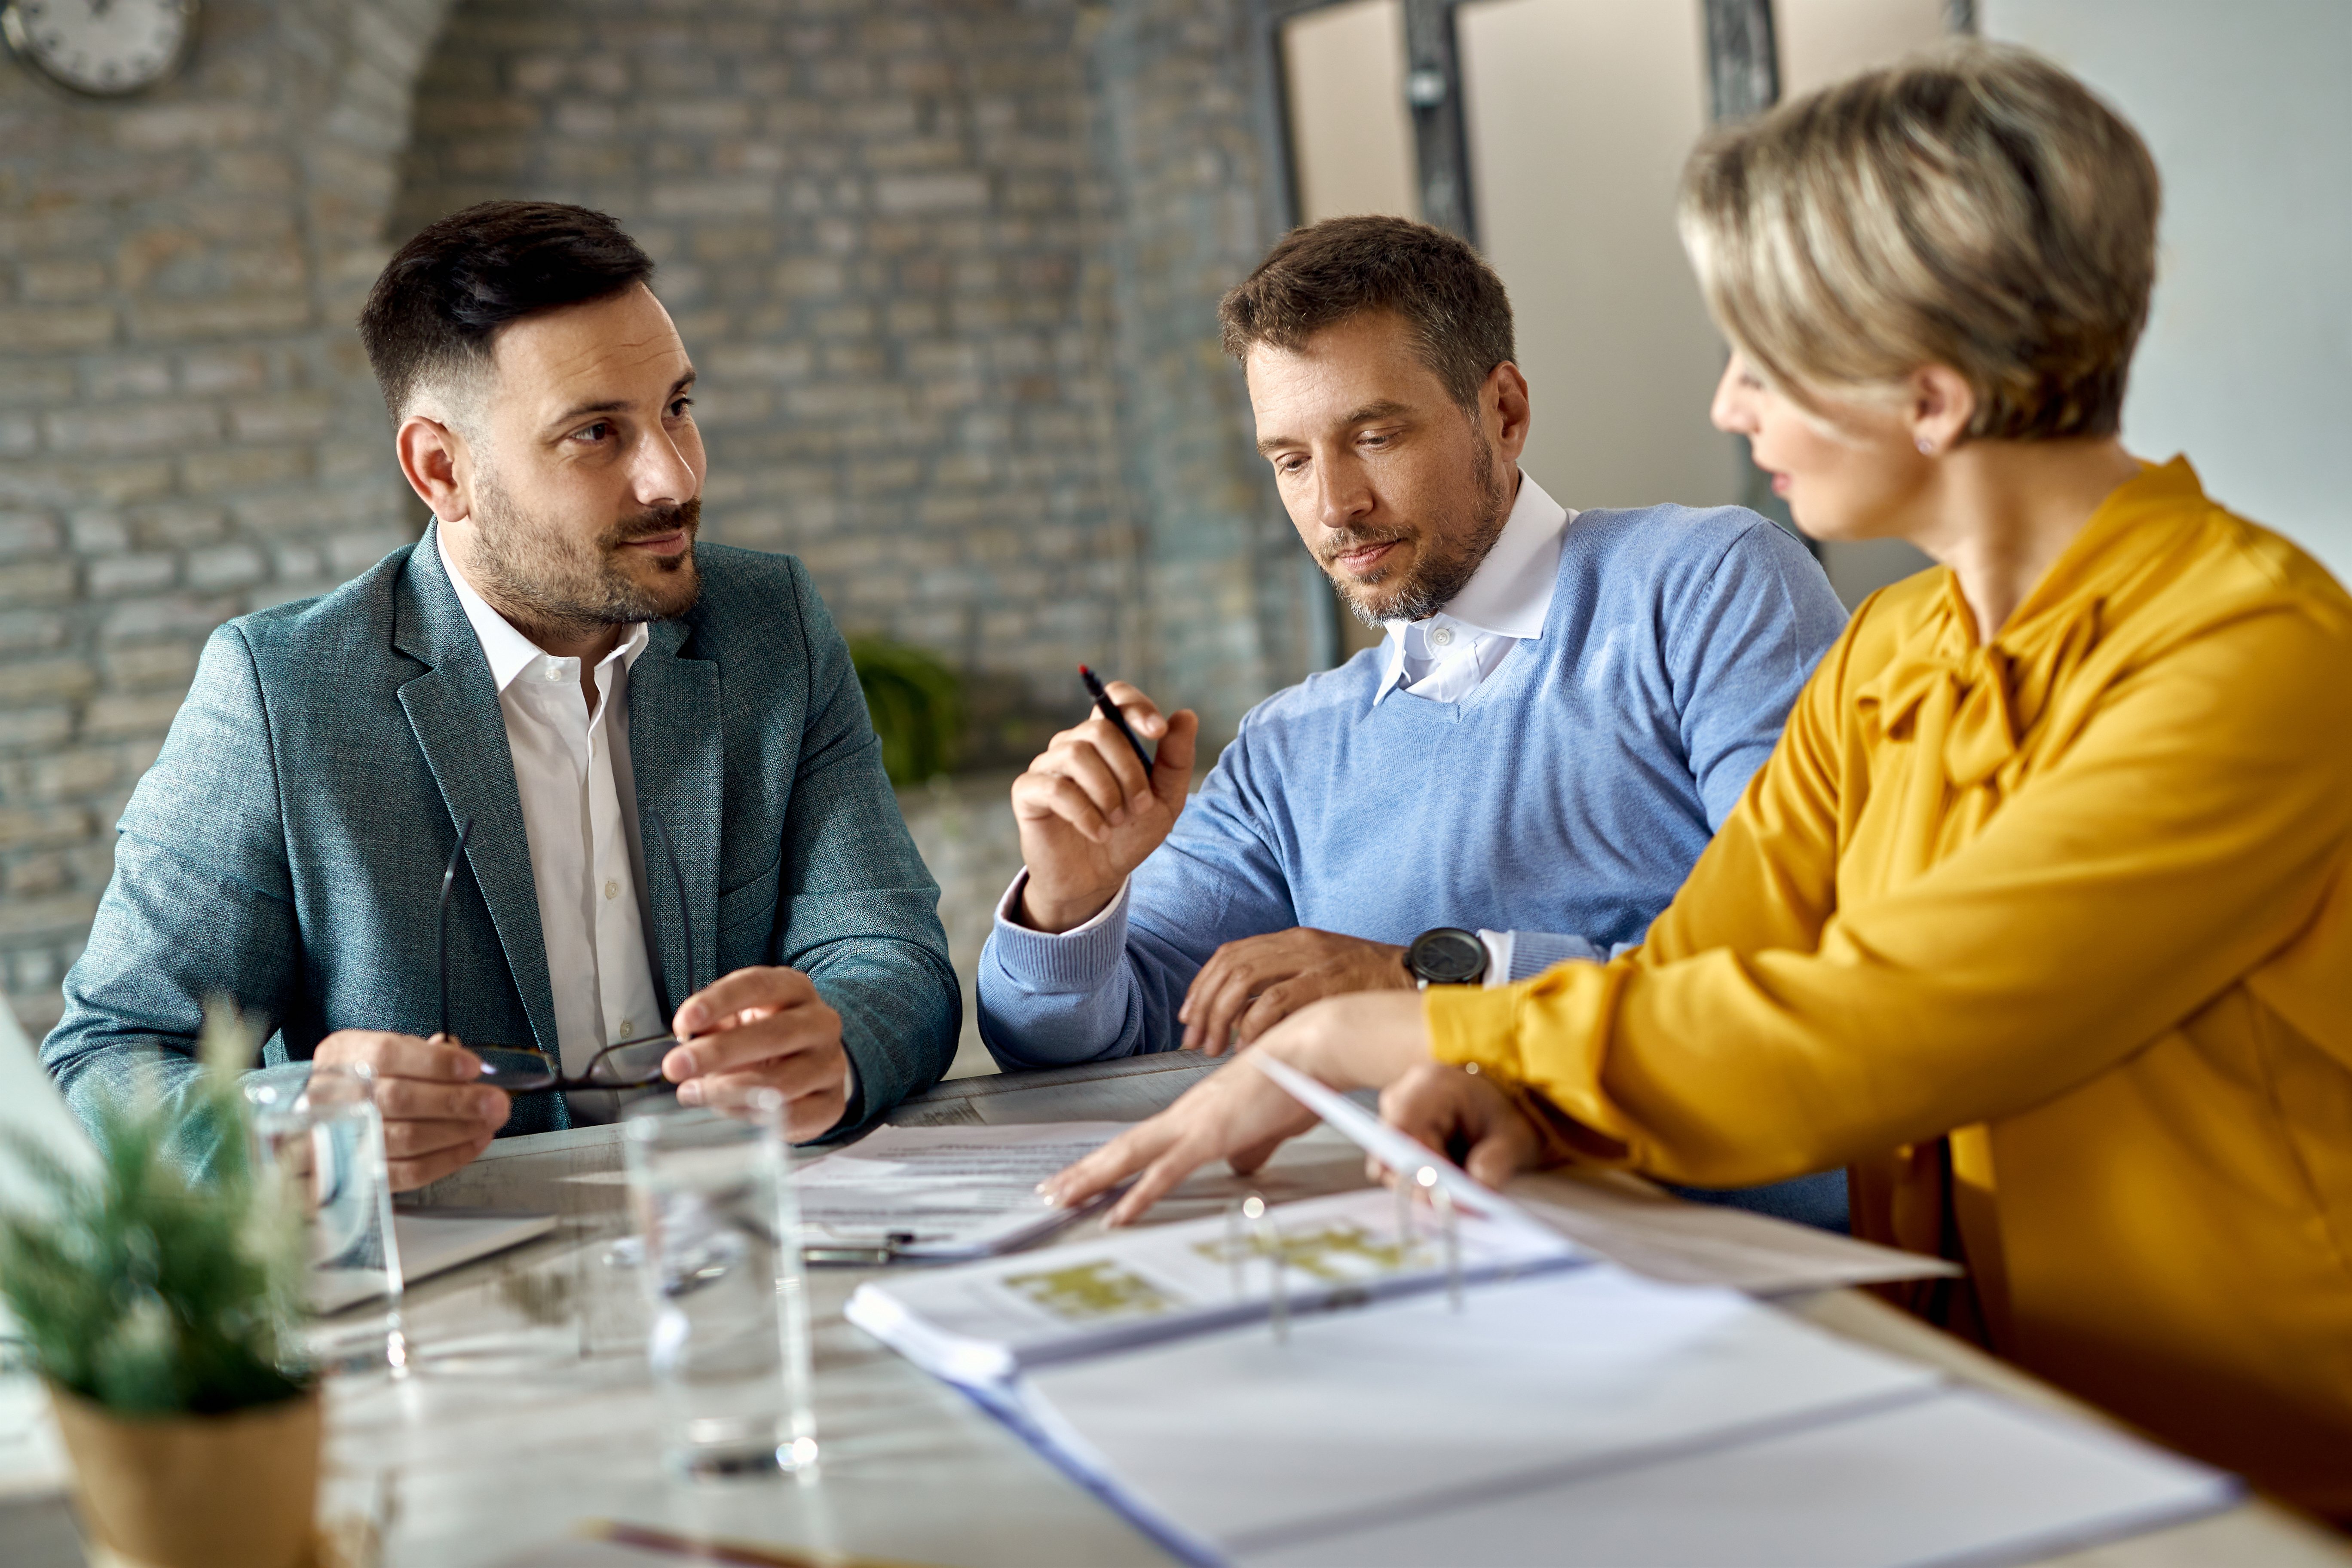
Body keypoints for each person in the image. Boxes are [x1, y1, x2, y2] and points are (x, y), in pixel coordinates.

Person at [1043, 44, 2352, 1516]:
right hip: (1983, 1403)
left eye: (1763, 357)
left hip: (2266, 1465)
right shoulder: (1899, 645)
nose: (1728, 404)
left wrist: (1376, 1022)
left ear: (1927, 398)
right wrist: (1529, 1107)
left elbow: (1876, 1021)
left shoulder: (2251, 656)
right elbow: (1711, 962)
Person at [43, 202, 959, 1188]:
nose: (672, 476)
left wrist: (841, 1045)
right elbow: (105, 1062)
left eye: (678, 408)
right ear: (442, 469)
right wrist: (297, 1126)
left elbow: (890, 951)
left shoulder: (769, 622)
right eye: (597, 432)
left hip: (755, 1241)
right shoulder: (282, 695)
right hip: (451, 1304)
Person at [979, 216, 1850, 1225]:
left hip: (1737, 1261)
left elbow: (1809, 962)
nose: (1335, 506)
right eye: (1291, 461)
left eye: (1374, 437)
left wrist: (1424, 976)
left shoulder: (1707, 587)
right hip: (1430, 1265)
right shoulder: (1288, 747)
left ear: (1507, 410)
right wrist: (1067, 901)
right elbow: (1077, 1045)